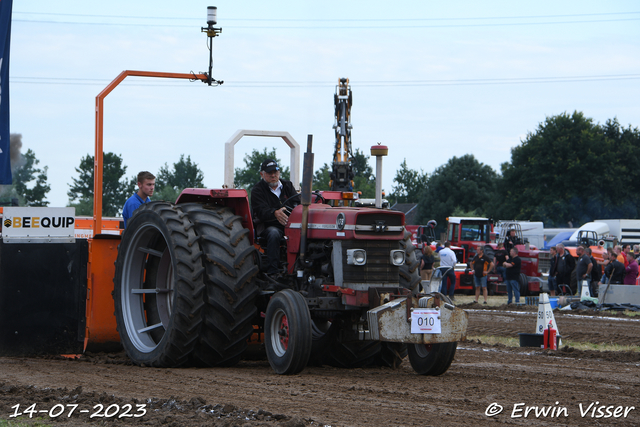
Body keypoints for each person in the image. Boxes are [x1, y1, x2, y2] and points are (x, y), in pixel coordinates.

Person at [250, 159, 298, 276]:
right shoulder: (257, 190)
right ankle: (273, 273)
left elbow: (297, 203)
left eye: (275, 172)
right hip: (268, 226)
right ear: (262, 174)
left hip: (289, 224)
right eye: (269, 173)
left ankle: (300, 269)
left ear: (279, 172)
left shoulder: (287, 185)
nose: (273, 175)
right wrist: (275, 213)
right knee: (274, 234)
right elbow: (261, 211)